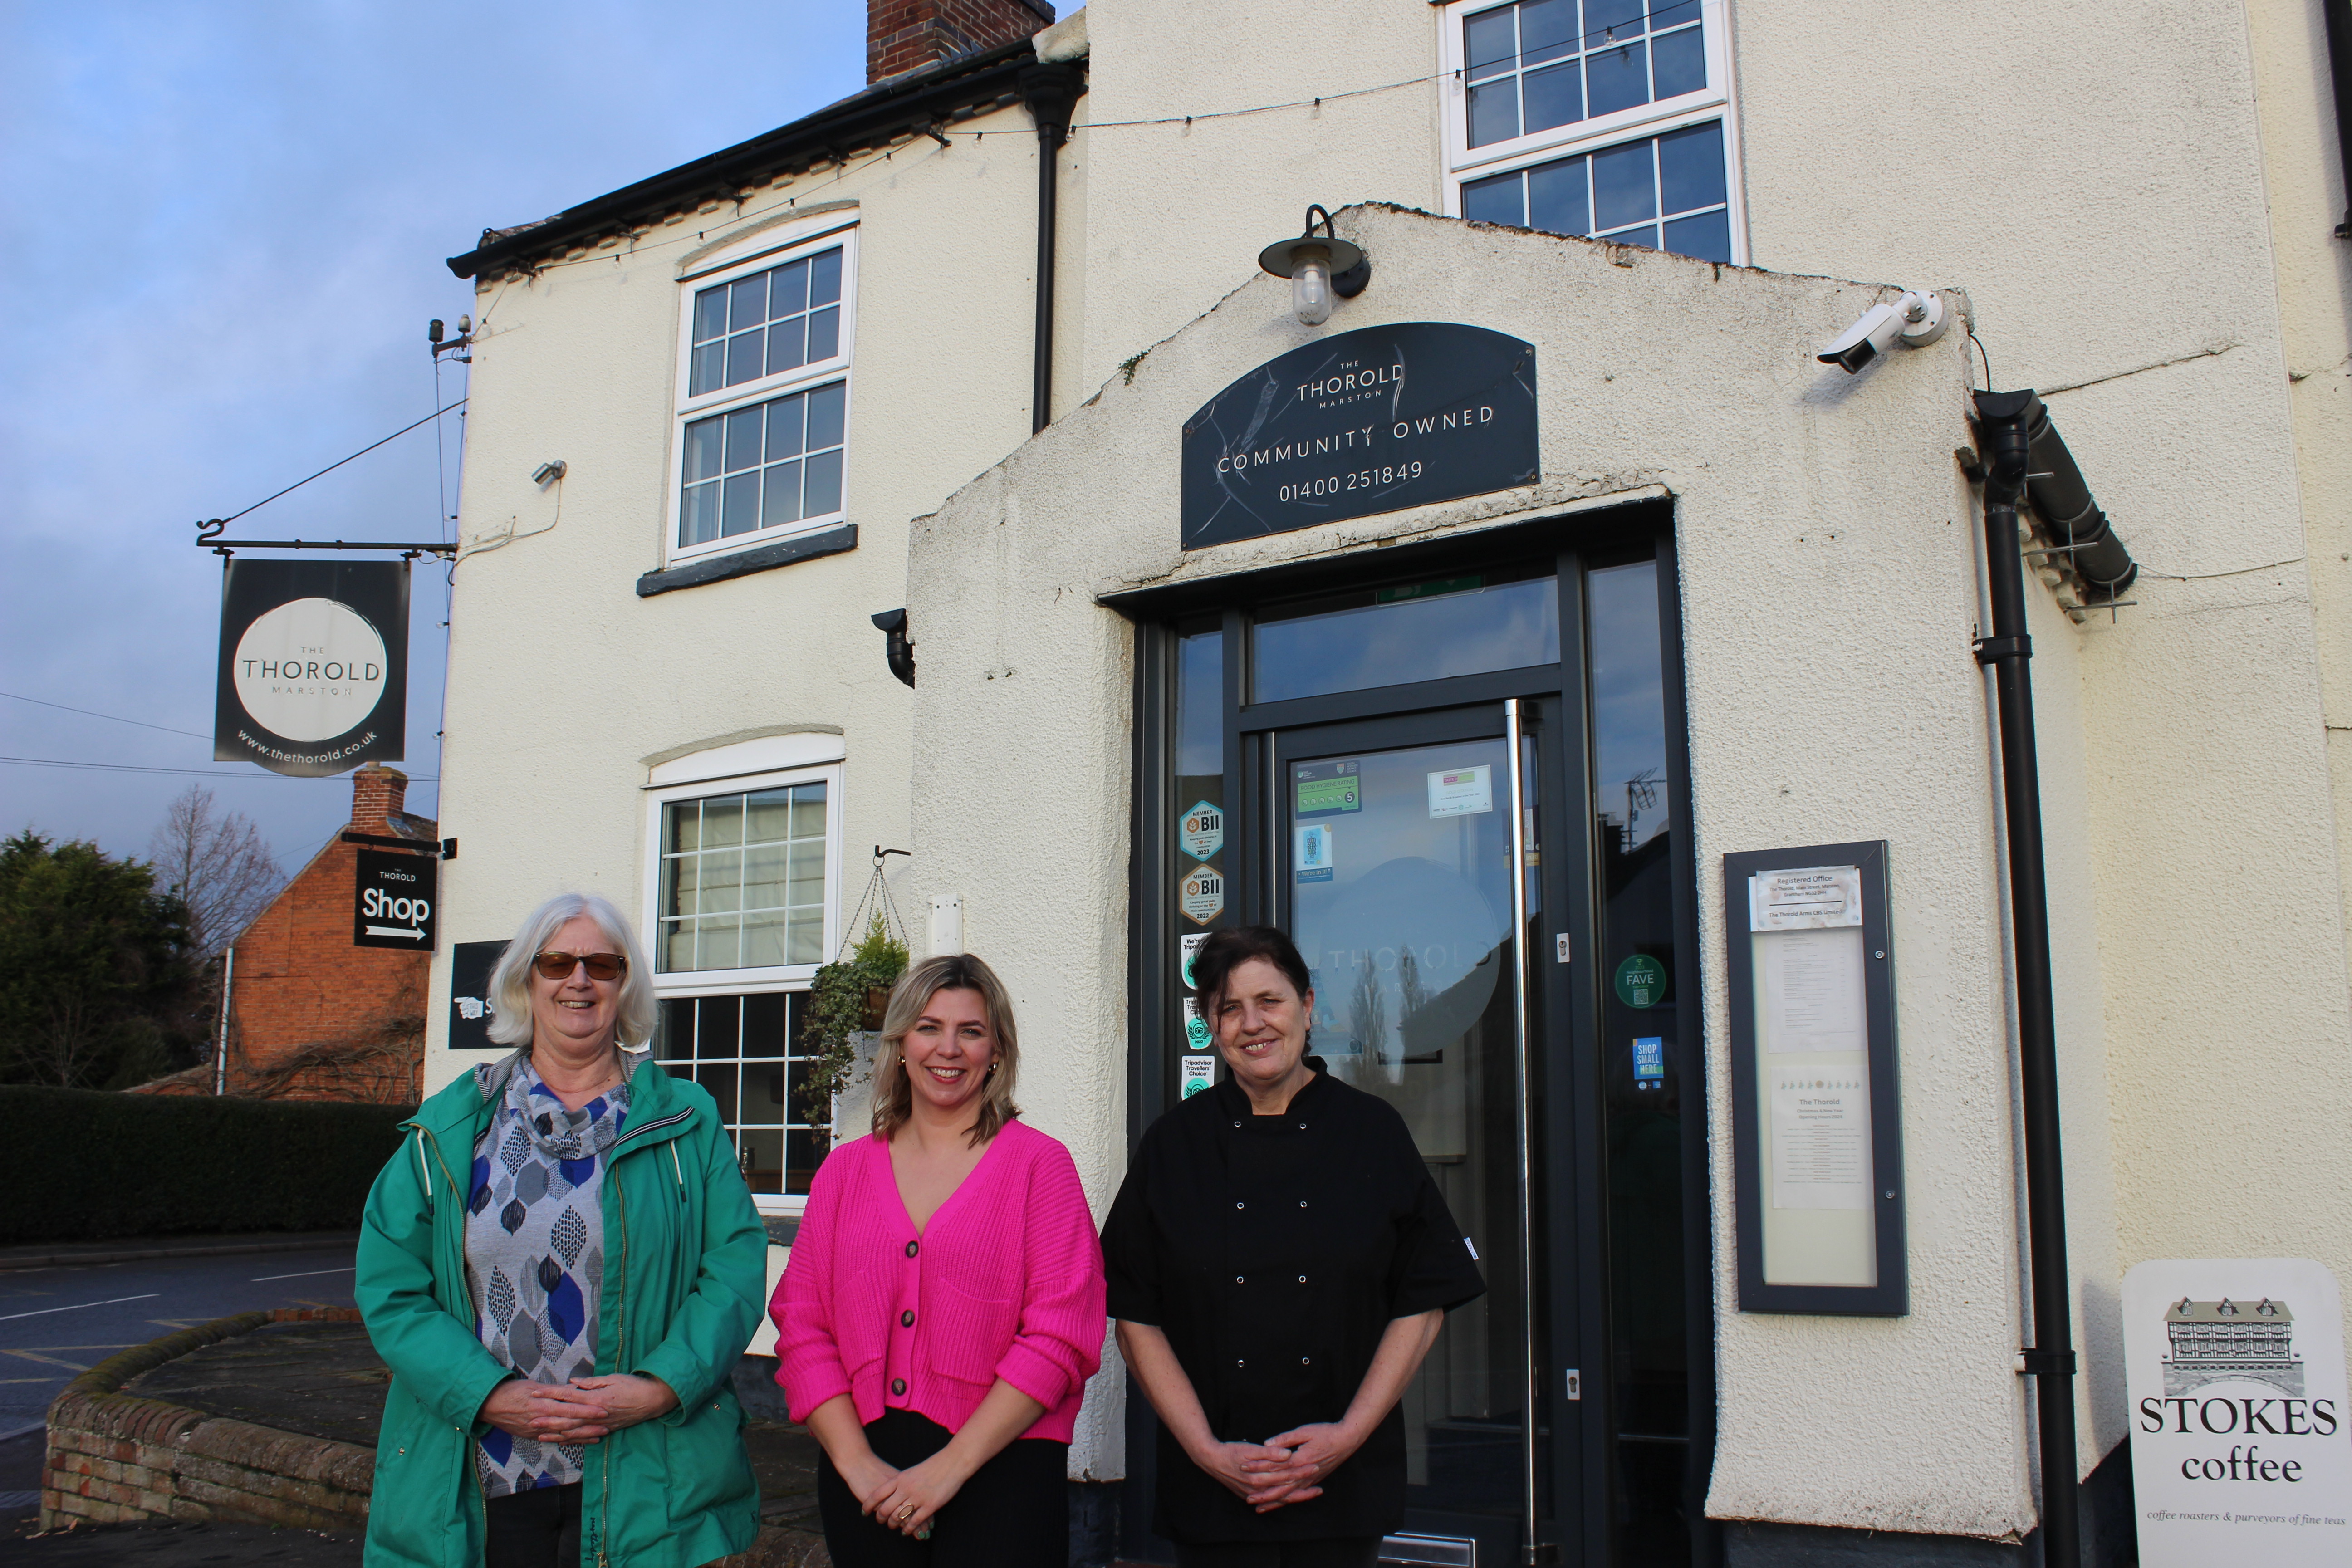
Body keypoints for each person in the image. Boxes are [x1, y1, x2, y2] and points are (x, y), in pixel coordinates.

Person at [356, 892, 767, 1568]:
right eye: (557, 963)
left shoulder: (685, 1119)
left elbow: (733, 1266)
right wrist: (486, 1394)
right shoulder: (455, 1125)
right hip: (484, 1467)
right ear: (525, 981)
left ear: (623, 985)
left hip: (646, 1466)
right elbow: (392, 1289)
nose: (580, 979)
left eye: (602, 965)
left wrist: (664, 1386)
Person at [1103, 926, 1486, 1568]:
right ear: (1211, 1026)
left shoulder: (1372, 1133)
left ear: (1307, 1008)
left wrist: (1347, 1437)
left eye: (1270, 1001)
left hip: (1340, 1482)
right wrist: (1205, 1450)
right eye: (1229, 1009)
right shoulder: (1175, 1146)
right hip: (1213, 1487)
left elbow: (1423, 1303)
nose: (1253, 1024)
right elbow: (1136, 1318)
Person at [772, 952, 1105, 1568]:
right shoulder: (844, 1172)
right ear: (900, 1043)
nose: (947, 1049)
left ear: (997, 1051)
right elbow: (803, 1325)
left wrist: (947, 1472)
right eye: (929, 1027)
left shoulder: (1040, 1167)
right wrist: (858, 1467)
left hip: (1002, 1470)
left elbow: (1061, 1335)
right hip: (864, 1475)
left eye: (971, 1031)